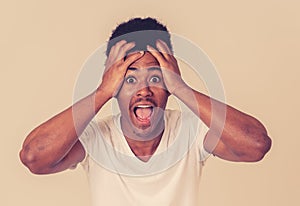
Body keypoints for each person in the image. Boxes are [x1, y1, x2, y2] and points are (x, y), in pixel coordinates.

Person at [20, 17, 272, 205]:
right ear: (115, 87)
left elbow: (257, 144)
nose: (143, 91)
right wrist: (101, 92)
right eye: (129, 80)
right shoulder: (96, 138)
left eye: (155, 78)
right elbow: (34, 157)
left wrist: (182, 88)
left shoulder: (191, 132)